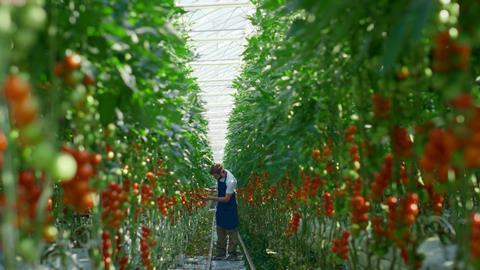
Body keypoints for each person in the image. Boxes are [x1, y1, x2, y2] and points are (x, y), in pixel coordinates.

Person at [207, 163, 240, 261]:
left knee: (232, 229)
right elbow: (219, 186)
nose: (214, 177)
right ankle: (220, 253)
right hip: (221, 207)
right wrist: (211, 189)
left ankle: (232, 253)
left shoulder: (231, 180)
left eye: (215, 176)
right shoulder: (221, 176)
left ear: (221, 172)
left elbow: (226, 199)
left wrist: (211, 197)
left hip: (230, 206)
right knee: (220, 227)